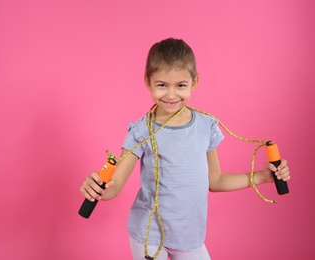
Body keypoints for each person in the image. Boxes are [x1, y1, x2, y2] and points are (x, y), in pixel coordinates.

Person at [80, 38, 291, 260]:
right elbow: (114, 187)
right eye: (162, 85)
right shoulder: (140, 131)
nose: (171, 95)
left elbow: (215, 180)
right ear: (148, 82)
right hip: (149, 236)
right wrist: (99, 189)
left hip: (190, 237)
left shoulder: (206, 126)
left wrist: (261, 176)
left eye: (180, 85)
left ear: (194, 82)